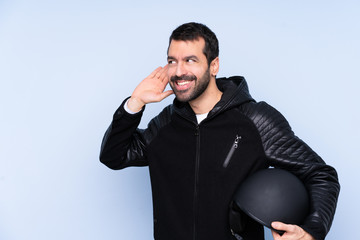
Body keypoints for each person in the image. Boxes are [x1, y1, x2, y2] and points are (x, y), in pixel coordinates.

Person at [99, 22, 340, 240]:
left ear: (213, 65)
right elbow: (114, 155)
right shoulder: (166, 124)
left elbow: (321, 174)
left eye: (190, 60)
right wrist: (135, 103)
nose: (178, 71)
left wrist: (311, 231)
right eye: (172, 61)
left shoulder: (255, 119)